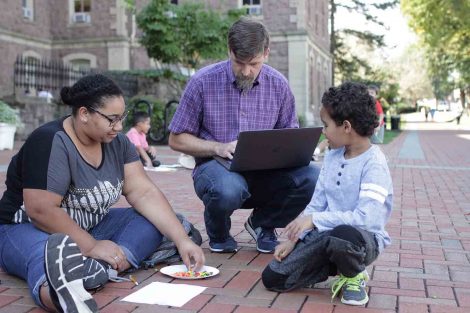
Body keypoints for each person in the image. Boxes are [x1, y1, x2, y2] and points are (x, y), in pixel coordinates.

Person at [0, 74, 205, 313]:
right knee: (44, 255)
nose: (119, 127)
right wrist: (91, 245)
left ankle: (98, 268)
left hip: (90, 227)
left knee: (156, 221)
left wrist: (182, 240)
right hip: (27, 228)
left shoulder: (118, 143)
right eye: (112, 119)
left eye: (122, 118)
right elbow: (40, 210)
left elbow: (144, 193)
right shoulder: (49, 141)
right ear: (84, 114)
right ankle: (59, 296)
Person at [168, 17, 319, 254]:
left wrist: (299, 153)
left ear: (266, 53)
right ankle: (218, 232)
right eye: (239, 62)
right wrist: (217, 147)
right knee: (228, 189)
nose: (247, 71)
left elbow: (289, 135)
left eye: (254, 64)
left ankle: (263, 224)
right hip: (217, 170)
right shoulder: (202, 81)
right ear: (229, 50)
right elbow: (176, 139)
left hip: (266, 175)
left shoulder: (279, 84)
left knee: (313, 176)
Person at [261, 82, 393, 306]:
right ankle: (330, 263)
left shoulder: (374, 164)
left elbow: (366, 219)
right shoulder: (333, 156)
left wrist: (314, 220)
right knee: (274, 278)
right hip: (325, 235)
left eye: (326, 125)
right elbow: (317, 203)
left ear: (346, 127)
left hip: (360, 240)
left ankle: (354, 275)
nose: (323, 131)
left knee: (343, 235)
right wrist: (294, 240)